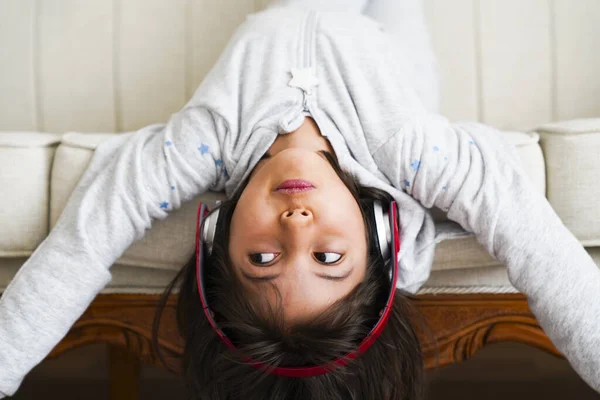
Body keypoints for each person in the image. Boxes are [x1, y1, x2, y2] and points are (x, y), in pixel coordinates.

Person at [1, 0, 600, 398]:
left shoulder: (202, 144)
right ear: (376, 236)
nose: (296, 225)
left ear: (217, 240)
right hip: (398, 51)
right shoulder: (411, 150)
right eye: (327, 258)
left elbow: (80, 248)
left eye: (263, 259)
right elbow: (537, 248)